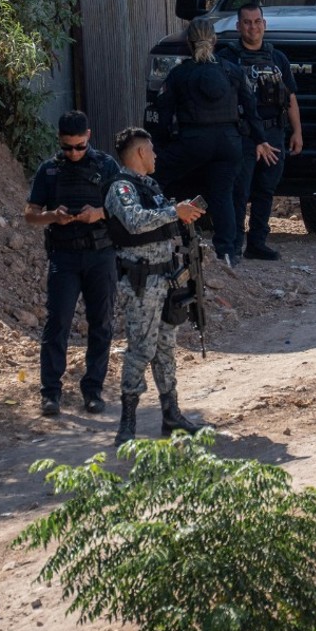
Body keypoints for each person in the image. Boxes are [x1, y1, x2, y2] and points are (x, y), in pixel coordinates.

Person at [104, 127, 208, 446]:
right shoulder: (121, 188)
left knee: (165, 345)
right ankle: (128, 423)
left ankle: (171, 414)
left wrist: (182, 214)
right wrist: (171, 212)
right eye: (151, 150)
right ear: (139, 153)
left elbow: (163, 220)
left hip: (165, 278)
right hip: (141, 280)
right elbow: (134, 222)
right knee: (141, 348)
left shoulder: (149, 186)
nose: (155, 155)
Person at [23, 111, 121, 417]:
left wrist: (100, 213)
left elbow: (125, 208)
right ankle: (50, 393)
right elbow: (29, 214)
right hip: (64, 256)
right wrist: (54, 216)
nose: (74, 153)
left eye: (79, 146)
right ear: (60, 141)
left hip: (100, 255)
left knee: (101, 324)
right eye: (68, 147)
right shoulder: (49, 171)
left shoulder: (106, 165)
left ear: (89, 136)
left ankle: (93, 391)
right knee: (58, 324)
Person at [154, 17, 272, 265]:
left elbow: (164, 115)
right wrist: (260, 139)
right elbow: (251, 110)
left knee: (155, 178)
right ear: (215, 40)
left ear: (189, 42)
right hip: (229, 143)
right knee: (224, 194)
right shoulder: (232, 70)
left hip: (193, 141)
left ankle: (153, 233)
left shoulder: (179, 74)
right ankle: (227, 252)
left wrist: (162, 146)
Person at [218, 4, 303, 261]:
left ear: (264, 25)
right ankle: (233, 246)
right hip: (242, 135)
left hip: (274, 132)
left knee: (266, 189)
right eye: (247, 22)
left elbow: (290, 98)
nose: (252, 27)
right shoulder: (227, 57)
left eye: (257, 22)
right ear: (238, 26)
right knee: (239, 191)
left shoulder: (278, 59)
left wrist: (297, 131)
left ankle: (257, 243)